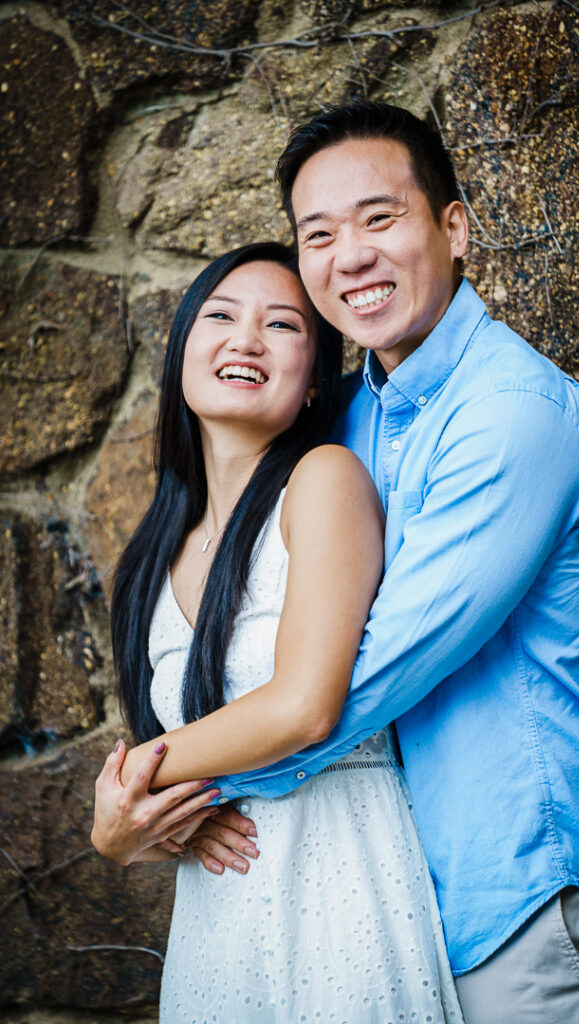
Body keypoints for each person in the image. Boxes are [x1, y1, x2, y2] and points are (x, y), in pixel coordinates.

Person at [187, 102, 579, 1023]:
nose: (349, 256)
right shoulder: (347, 419)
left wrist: (170, 787)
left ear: (454, 227)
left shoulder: (512, 412)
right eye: (319, 235)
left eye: (379, 218)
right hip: (389, 905)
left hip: (520, 902)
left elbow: (364, 675)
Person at [91, 241, 464, 1023]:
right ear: (181, 350)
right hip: (218, 913)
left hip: (336, 878)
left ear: (314, 379)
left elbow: (302, 707)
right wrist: (136, 829)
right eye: (220, 316)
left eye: (282, 325)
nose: (246, 340)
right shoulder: (156, 551)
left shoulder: (323, 480)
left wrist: (128, 792)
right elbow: (186, 772)